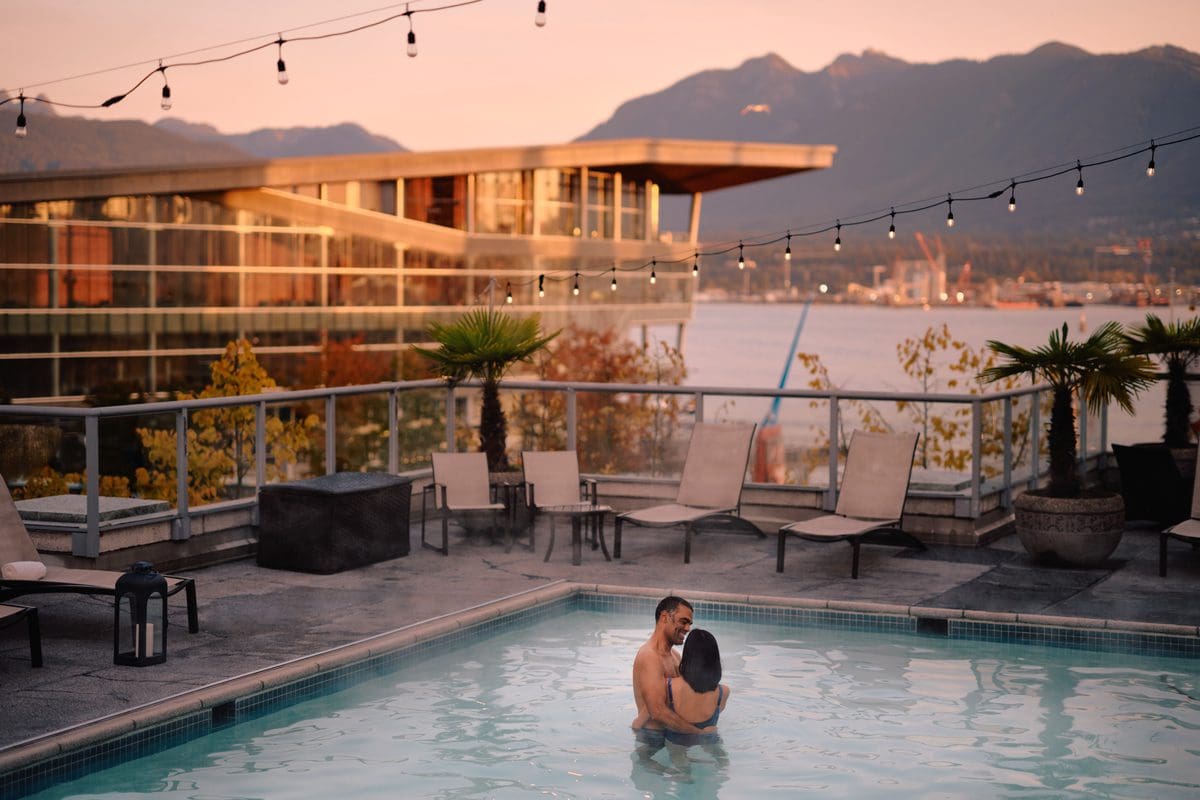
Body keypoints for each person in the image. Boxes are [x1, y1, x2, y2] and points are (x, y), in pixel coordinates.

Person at [631, 596, 713, 736]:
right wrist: (699, 733)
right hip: (651, 739)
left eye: (690, 624)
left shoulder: (675, 656)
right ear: (665, 617)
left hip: (674, 734)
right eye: (683, 622)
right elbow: (657, 712)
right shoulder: (649, 657)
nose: (688, 629)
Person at [662, 629, 729, 745]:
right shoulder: (723, 693)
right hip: (709, 741)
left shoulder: (668, 687)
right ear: (714, 658)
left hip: (675, 743)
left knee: (679, 760)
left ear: (688, 655)